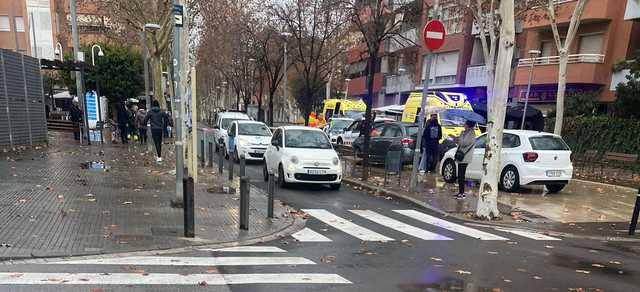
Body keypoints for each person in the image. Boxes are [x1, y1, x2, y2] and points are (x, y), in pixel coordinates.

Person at [453, 120, 477, 200]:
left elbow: (463, 142)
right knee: (460, 174)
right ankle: (460, 192)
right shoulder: (467, 132)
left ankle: (462, 193)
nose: (464, 124)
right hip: (463, 156)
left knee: (461, 175)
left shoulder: (470, 133)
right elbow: (461, 142)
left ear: (467, 124)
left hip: (465, 157)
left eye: (465, 123)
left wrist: (461, 134)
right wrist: (454, 138)